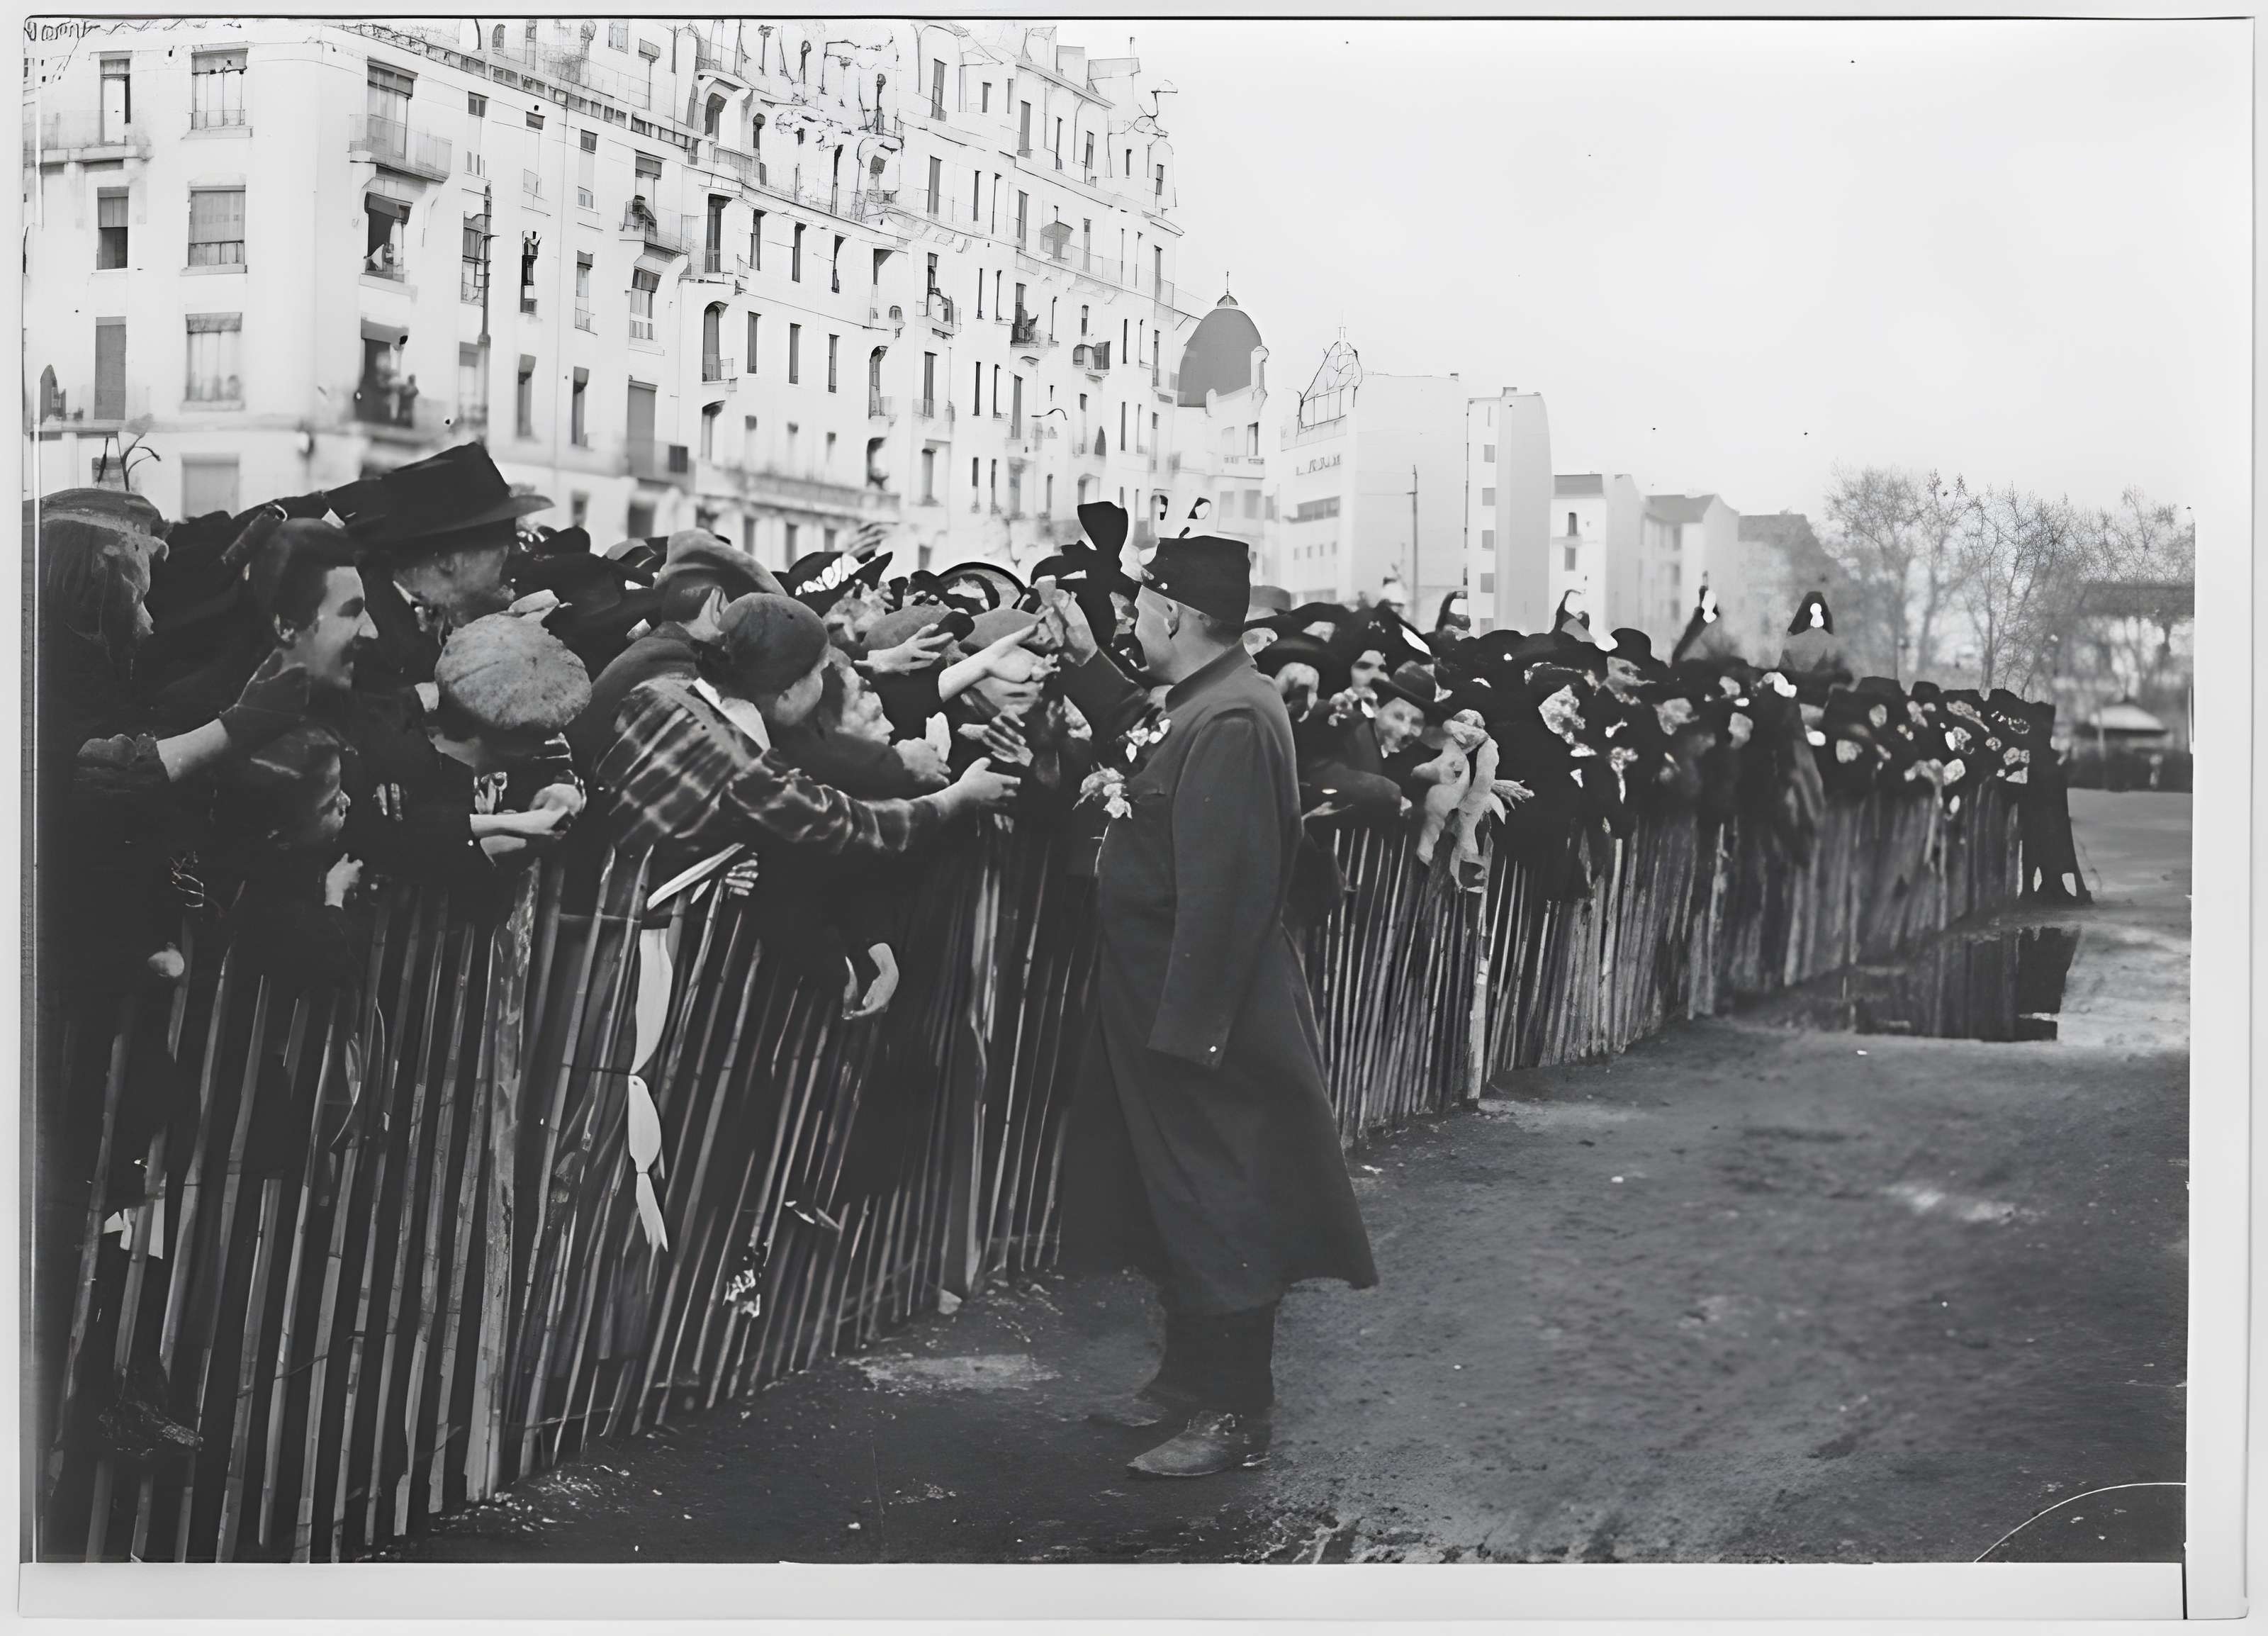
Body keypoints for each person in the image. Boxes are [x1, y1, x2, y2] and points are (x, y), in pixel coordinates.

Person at [1034, 538, 1377, 1480]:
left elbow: (1226, 891)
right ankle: (1190, 1380)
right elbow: (1145, 733)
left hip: (1197, 1002)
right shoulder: (1212, 697)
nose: (1134, 622)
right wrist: (1080, 660)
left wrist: (1192, 1029)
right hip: (1163, 991)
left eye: (1140, 611)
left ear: (1175, 618)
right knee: (1175, 1197)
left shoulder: (1230, 718)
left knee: (1220, 1201)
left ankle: (1236, 1414)